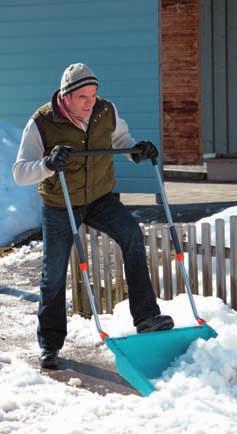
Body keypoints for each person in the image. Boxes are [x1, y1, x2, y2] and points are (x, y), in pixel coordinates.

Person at [13, 63, 174, 369]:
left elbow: (121, 142)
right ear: (66, 96)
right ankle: (50, 343)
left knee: (131, 234)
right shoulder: (42, 122)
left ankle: (148, 318)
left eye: (94, 94)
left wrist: (136, 150)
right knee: (54, 273)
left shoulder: (105, 112)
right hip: (61, 203)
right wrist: (48, 163)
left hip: (99, 197)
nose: (91, 102)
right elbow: (20, 171)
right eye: (83, 96)